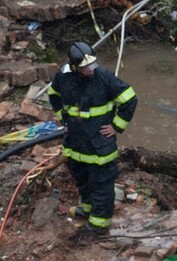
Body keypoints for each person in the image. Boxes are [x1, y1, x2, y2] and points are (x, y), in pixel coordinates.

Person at [47, 41, 137, 235]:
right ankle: (87, 209)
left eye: (93, 64)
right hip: (75, 143)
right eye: (85, 67)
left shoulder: (104, 77)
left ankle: (99, 225)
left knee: (101, 185)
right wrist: (63, 117)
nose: (91, 69)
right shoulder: (63, 76)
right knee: (82, 179)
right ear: (74, 67)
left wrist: (116, 126)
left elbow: (130, 99)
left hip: (99, 145)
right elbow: (53, 94)